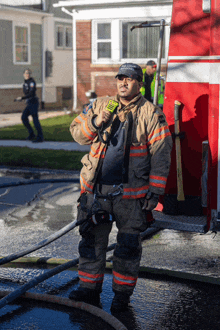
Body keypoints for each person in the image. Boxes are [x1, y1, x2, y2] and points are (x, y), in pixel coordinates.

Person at [69, 63, 172, 312]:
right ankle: (89, 291)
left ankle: (121, 297)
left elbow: (161, 154)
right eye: (120, 78)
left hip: (131, 195)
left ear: (139, 83)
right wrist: (95, 121)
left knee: (127, 247)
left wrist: (155, 192)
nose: (123, 82)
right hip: (96, 192)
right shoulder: (102, 105)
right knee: (91, 242)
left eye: (129, 78)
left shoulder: (151, 113)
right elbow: (77, 132)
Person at [15, 69, 44, 143]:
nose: (27, 74)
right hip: (29, 103)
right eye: (26, 73)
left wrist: (22, 98)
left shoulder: (32, 82)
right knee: (24, 117)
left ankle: (40, 137)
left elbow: (31, 93)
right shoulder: (25, 83)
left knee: (35, 119)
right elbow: (26, 94)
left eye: (29, 73)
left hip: (34, 102)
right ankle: (31, 134)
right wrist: (21, 99)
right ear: (23, 74)